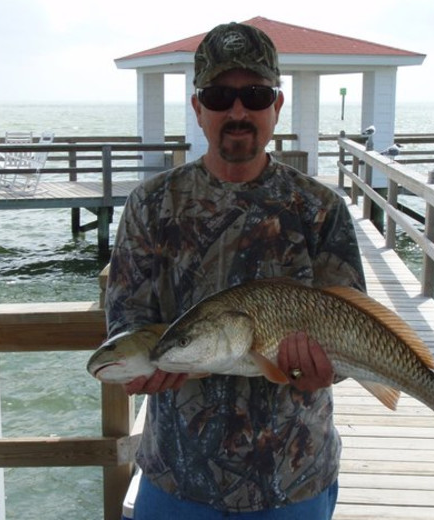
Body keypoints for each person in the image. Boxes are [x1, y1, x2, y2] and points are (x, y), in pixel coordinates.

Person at [105, 21, 365, 519]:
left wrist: (324, 371)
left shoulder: (320, 208)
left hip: (295, 478)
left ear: (277, 107)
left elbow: (351, 325)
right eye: (220, 96)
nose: (239, 110)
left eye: (255, 93)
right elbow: (126, 317)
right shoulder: (151, 205)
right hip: (175, 477)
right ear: (198, 108)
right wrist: (135, 364)